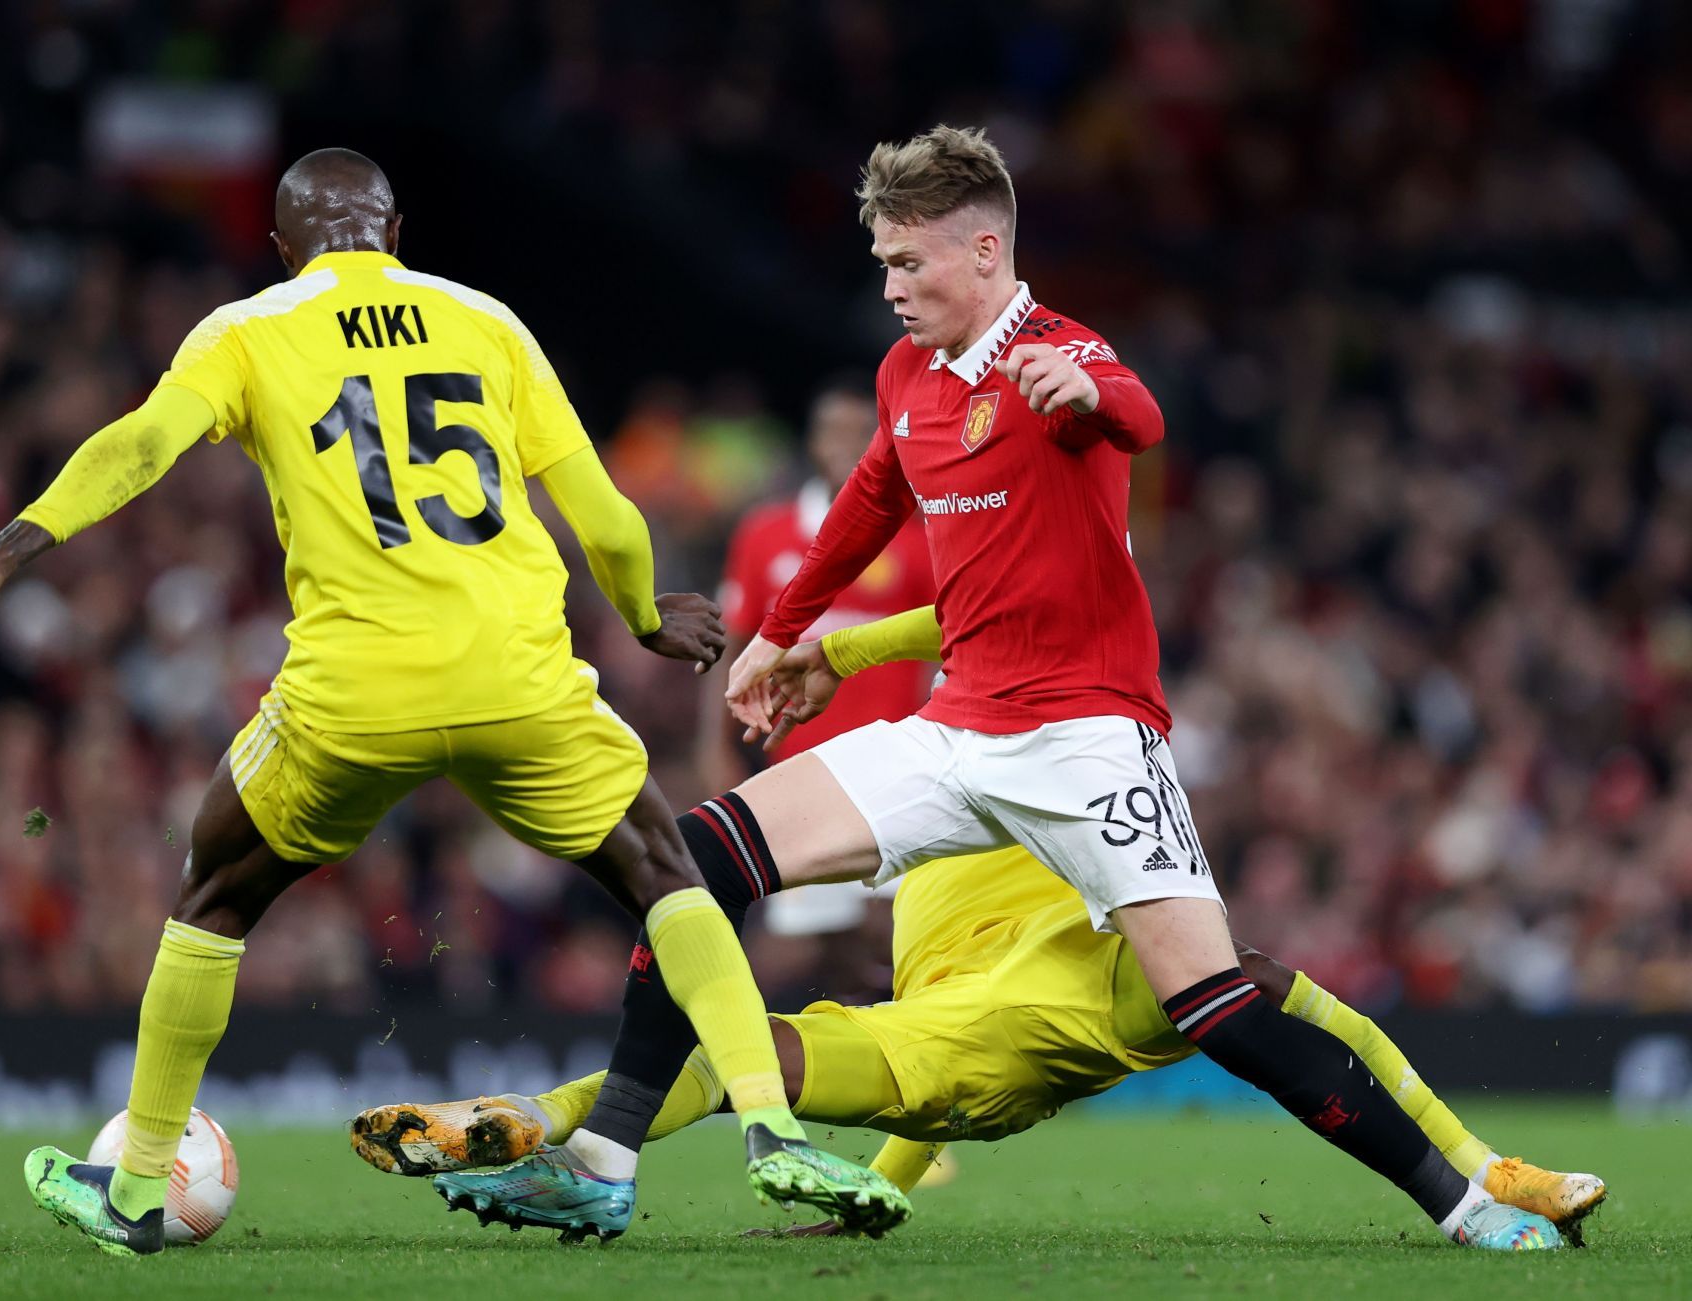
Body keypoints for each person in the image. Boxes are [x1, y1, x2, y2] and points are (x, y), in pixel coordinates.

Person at [413, 126, 1565, 1252]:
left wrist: (1084, 389)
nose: (892, 287)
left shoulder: (1063, 351)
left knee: (1211, 997)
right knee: (696, 850)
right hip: (957, 727)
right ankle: (605, 1160)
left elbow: (1144, 417)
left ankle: (1463, 1206)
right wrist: (783, 632)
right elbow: (872, 497)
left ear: (982, 252)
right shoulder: (908, 373)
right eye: (882, 265)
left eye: (908, 262)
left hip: (1089, 738)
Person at [0, 147, 906, 1254]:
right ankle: (768, 1127)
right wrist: (645, 616)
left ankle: (137, 1184)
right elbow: (606, 514)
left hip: (356, 690)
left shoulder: (248, 328)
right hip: (519, 676)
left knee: (217, 889)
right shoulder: (488, 321)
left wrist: (6, 549)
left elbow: (141, 443)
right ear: (395, 229)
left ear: (284, 248)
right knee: (665, 869)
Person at [363, 611, 1601, 1250]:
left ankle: (542, 1125)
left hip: (963, 1008)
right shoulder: (1005, 806)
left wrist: (1470, 1166)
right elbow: (965, 622)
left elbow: (1279, 998)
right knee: (705, 866)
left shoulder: (1115, 956)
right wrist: (835, 648)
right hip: (963, 923)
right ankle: (558, 1135)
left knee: (757, 1017)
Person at [697, 376, 935, 953]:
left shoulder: (921, 536)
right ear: (812, 440)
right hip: (799, 771)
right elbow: (735, 645)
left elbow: (947, 638)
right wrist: (714, 745)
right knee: (805, 948)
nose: (845, 446)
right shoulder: (765, 534)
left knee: (891, 939)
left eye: (862, 434)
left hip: (893, 768)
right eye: (834, 431)